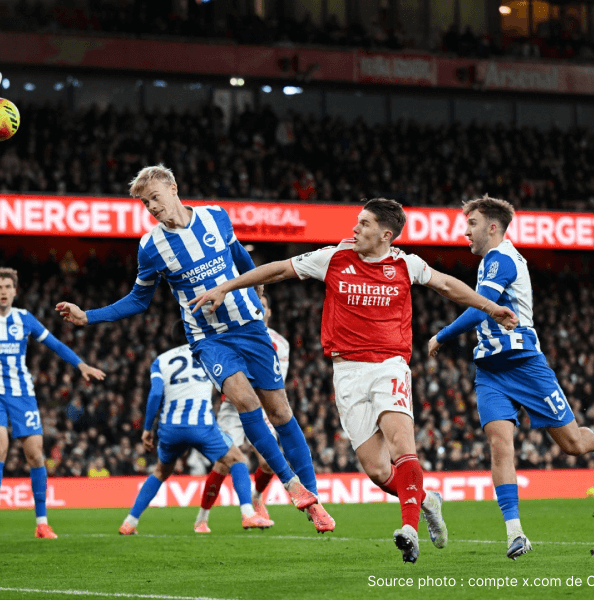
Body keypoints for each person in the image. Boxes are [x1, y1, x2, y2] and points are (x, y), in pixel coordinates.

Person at [189, 198, 519, 563]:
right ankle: (426, 499)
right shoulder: (333, 258)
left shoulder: (405, 264)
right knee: (378, 471)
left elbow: (447, 285)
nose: (355, 229)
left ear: (385, 234)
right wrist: (229, 286)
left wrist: (491, 307)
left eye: (364, 224)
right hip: (346, 372)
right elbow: (278, 271)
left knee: (401, 443)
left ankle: (409, 528)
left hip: (389, 365)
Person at [57, 164, 335, 533]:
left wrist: (258, 289)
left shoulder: (216, 217)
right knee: (244, 401)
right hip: (209, 337)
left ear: (173, 188)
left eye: (154, 197)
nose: (151, 207)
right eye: (145, 203)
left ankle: (313, 498)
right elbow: (139, 300)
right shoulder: (151, 246)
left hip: (250, 327)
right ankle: (291, 485)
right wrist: (88, 317)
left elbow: (239, 257)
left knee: (281, 413)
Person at [428, 196, 594, 559]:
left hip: (525, 363)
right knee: (500, 446)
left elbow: (481, 310)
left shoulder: (503, 260)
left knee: (573, 443)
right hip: (490, 370)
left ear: (492, 227)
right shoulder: (489, 263)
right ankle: (515, 534)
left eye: (472, 223)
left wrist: (441, 335)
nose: (466, 230)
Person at [0, 267, 106, 539]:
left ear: (15, 291)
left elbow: (56, 345)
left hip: (23, 394)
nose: (3, 292)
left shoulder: (24, 318)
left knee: (36, 455)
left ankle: (42, 522)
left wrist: (81, 365)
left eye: (7, 287)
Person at [119, 325, 272, 535]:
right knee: (237, 460)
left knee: (161, 472)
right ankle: (247, 514)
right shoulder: (207, 353)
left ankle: (130, 522)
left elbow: (155, 395)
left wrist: (147, 429)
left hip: (170, 428)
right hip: (201, 425)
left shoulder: (161, 360)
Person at [195, 294, 286, 530]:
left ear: (269, 312)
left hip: (262, 407)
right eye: (256, 305)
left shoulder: (281, 344)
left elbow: (276, 383)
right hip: (232, 407)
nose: (260, 309)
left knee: (268, 463)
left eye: (264, 306)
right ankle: (202, 518)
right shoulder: (234, 334)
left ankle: (256, 498)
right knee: (225, 462)